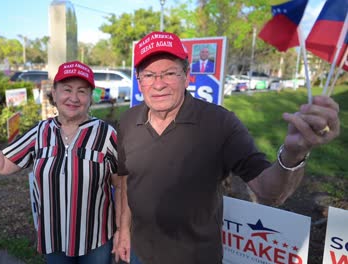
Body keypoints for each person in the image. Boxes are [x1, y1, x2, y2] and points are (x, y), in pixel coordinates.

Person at [113, 31, 340, 264]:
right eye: (149, 75)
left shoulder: (220, 123)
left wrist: (293, 154)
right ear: (139, 80)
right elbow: (124, 181)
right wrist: (122, 230)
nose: (158, 84)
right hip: (138, 253)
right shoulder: (128, 121)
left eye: (169, 73)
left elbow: (269, 192)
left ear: (186, 75)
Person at [0, 61, 121, 264]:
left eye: (82, 91)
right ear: (54, 94)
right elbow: (2, 163)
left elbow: (121, 185)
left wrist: (122, 230)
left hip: (96, 241)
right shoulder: (40, 132)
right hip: (54, 240)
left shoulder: (106, 134)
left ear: (90, 97)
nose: (73, 98)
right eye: (66, 90)